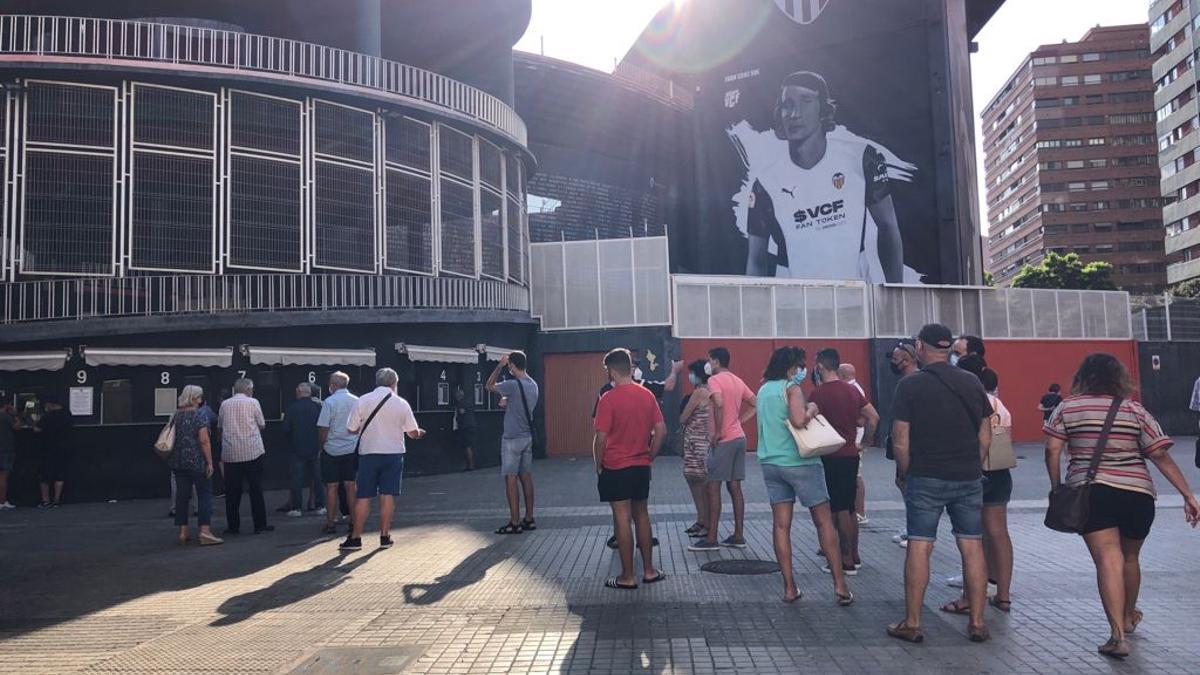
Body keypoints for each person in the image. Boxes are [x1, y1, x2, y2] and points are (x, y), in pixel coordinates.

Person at [1044, 353, 1200, 658]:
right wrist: (1188, 495)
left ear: (1083, 376)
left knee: (1108, 560)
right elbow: (1160, 455)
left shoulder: (1067, 407)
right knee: (1130, 558)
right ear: (1119, 378)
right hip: (1137, 494)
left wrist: (1056, 486)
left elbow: (1052, 449)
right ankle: (1129, 617)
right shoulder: (1134, 410)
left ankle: (1117, 636)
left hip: (1092, 493)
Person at [739, 71, 907, 282]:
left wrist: (897, 296)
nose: (794, 114)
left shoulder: (863, 159)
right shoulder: (764, 183)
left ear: (823, 109)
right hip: (793, 307)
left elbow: (888, 227)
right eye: (787, 105)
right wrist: (755, 313)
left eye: (806, 101)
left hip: (854, 304)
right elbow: (756, 261)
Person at [887, 324, 992, 644]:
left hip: (926, 475)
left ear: (920, 345)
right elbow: (985, 434)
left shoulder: (910, 386)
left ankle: (913, 622)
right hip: (968, 476)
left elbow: (900, 440)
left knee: (920, 544)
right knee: (972, 545)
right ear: (947, 348)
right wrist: (974, 464)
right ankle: (976, 621)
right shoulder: (972, 382)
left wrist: (906, 473)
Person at [758, 347, 854, 605]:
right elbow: (799, 421)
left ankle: (789, 588)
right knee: (823, 522)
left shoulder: (763, 389)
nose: (802, 371)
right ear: (791, 367)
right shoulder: (791, 389)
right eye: (800, 366)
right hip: (800, 462)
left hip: (770, 462)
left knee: (781, 526)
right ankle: (840, 585)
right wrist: (812, 408)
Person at [593, 348, 667, 589]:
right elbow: (661, 431)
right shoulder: (647, 395)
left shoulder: (608, 399)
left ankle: (627, 576)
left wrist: (598, 464)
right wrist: (650, 456)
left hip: (615, 466)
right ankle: (648, 571)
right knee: (642, 516)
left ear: (612, 371)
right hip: (640, 465)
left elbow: (601, 438)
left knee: (622, 519)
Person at [943, 368, 1015, 615]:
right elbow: (1006, 437)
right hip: (1000, 471)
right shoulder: (999, 404)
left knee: (971, 536)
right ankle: (1003, 595)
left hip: (971, 470)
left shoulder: (966, 401)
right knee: (998, 533)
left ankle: (969, 597)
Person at [808, 349, 878, 575]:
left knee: (836, 510)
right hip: (850, 454)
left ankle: (844, 559)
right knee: (849, 508)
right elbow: (873, 417)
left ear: (820, 367)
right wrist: (865, 443)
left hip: (830, 457)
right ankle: (854, 555)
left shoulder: (818, 394)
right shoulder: (852, 391)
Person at [340, 367, 426, 551]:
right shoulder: (402, 403)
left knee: (363, 496)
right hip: (393, 454)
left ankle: (355, 538)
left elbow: (351, 429)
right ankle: (384, 536)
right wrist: (419, 434)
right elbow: (412, 433)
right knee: (387, 495)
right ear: (395, 383)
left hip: (368, 454)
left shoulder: (363, 400)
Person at [690, 347, 756, 552]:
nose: (708, 364)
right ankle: (738, 535)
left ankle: (711, 538)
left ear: (717, 362)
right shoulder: (737, 380)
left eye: (710, 360)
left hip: (724, 440)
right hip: (739, 438)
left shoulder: (714, 381)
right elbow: (755, 403)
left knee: (713, 486)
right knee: (735, 487)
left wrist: (718, 431)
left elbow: (717, 402)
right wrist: (738, 421)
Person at [487, 351, 539, 535]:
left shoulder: (511, 384)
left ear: (512, 366)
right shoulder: (532, 384)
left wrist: (499, 365)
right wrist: (508, 401)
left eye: (509, 366)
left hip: (511, 438)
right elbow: (520, 402)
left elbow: (489, 385)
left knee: (510, 478)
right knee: (526, 477)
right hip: (527, 437)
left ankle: (514, 521)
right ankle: (529, 518)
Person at [168, 385, 223, 546]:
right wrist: (210, 462)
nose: (201, 400)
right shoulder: (199, 415)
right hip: (197, 461)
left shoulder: (176, 415)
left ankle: (183, 531)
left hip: (178, 462)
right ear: (194, 398)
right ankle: (205, 531)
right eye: (199, 397)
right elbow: (204, 440)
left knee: (182, 497)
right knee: (204, 495)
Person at [218, 378, 273, 535]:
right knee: (256, 489)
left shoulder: (225, 404)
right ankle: (260, 525)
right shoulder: (253, 402)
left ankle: (233, 526)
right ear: (248, 389)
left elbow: (220, 426)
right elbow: (262, 424)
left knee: (232, 492)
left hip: (231, 454)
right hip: (252, 451)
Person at [887, 339, 920, 549]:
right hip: (905, 444)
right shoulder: (908, 381)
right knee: (903, 484)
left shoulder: (913, 382)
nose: (893, 361)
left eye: (896, 358)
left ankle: (915, 531)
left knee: (911, 487)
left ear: (907, 359)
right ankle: (912, 527)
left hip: (911, 445)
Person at [318, 371, 359, 534]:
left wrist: (321, 447)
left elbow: (323, 428)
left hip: (331, 449)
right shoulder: (356, 401)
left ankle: (330, 523)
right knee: (350, 485)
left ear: (333, 385)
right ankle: (353, 520)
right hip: (351, 448)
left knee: (331, 487)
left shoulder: (329, 402)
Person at [679, 359, 713, 538]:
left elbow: (683, 418)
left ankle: (705, 522)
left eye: (692, 373)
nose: (690, 376)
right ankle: (703, 521)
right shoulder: (713, 390)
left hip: (695, 444)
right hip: (706, 443)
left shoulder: (699, 392)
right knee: (700, 483)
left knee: (698, 484)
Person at [283, 383, 325, 518]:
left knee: (297, 479)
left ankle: (296, 508)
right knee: (318, 478)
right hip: (316, 447)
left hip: (297, 448)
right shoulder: (318, 407)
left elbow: (286, 429)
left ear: (299, 391)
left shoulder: (292, 408)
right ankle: (320, 506)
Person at [838, 362, 869, 526]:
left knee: (856, 476)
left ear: (842, 375)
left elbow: (862, 417)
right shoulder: (855, 388)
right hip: (855, 438)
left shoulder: (853, 390)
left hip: (855, 439)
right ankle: (855, 511)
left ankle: (860, 513)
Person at [36, 395, 73, 508]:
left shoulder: (48, 416)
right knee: (59, 474)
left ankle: (45, 501)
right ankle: (57, 500)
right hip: (63, 447)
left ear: (50, 404)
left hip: (47, 448)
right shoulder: (67, 414)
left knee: (45, 475)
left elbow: (37, 428)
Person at [454, 384, 478, 471]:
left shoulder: (461, 404)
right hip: (471, 425)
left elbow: (461, 413)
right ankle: (472, 464)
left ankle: (470, 465)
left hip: (465, 426)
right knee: (470, 445)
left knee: (467, 446)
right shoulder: (469, 402)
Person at [0, 403, 18, 509]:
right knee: (3, 476)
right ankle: (2, 501)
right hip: (5, 449)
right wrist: (15, 415)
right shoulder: (5, 417)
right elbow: (17, 427)